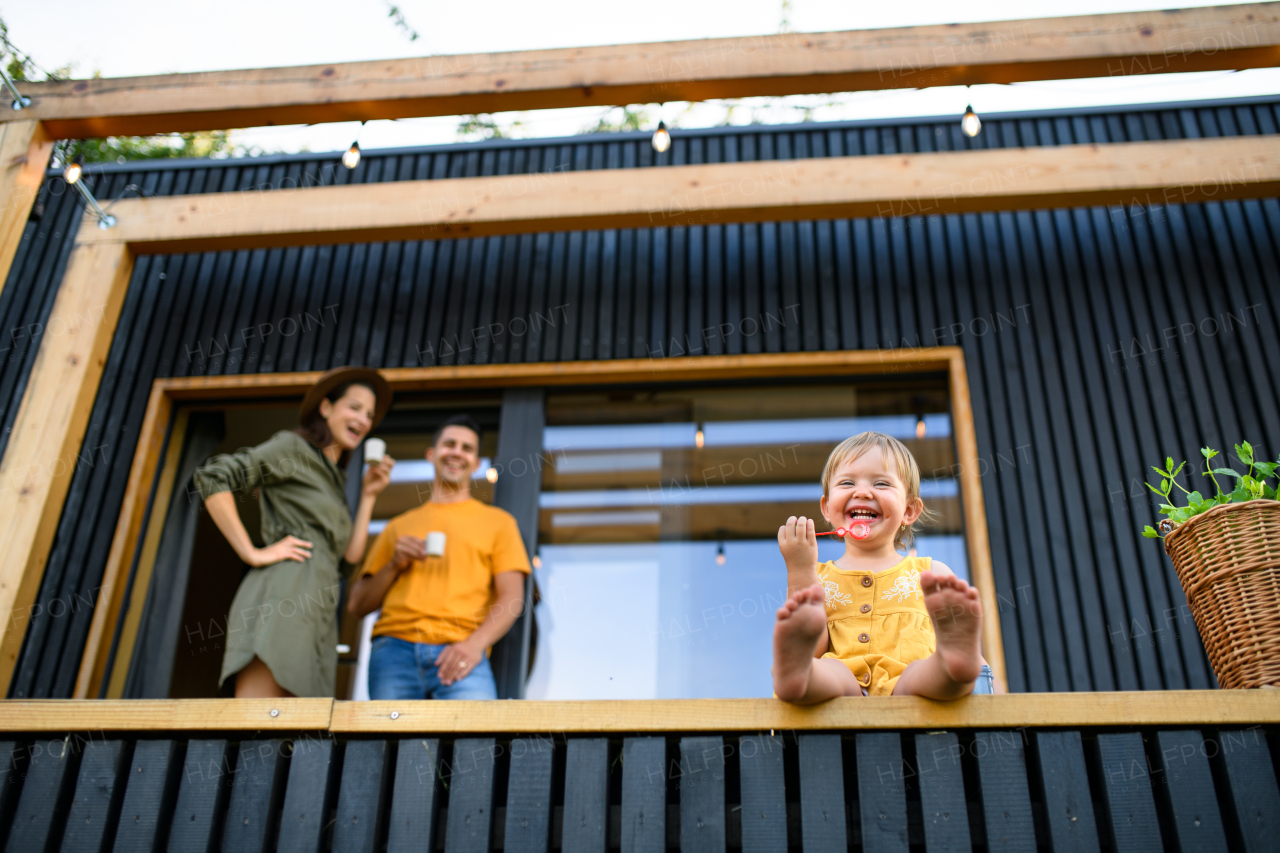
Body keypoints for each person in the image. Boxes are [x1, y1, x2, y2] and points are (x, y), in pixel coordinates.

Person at [194, 367, 394, 698]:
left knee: (296, 743)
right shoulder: (293, 449)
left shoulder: (335, 482)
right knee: (257, 730)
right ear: (326, 408)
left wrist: (370, 495)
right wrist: (251, 552)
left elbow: (348, 559)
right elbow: (214, 476)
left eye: (370, 414)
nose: (364, 419)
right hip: (284, 598)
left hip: (319, 618)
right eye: (354, 407)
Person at [771, 431, 998, 703]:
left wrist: (996, 697)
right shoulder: (816, 576)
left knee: (922, 672)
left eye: (881, 483)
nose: (863, 492)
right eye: (846, 482)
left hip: (911, 691)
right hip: (843, 694)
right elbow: (815, 648)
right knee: (825, 669)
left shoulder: (931, 574)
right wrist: (800, 570)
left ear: (909, 511)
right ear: (827, 508)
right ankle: (797, 672)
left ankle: (952, 666)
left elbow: (982, 668)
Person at [348, 414, 530, 700]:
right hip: (394, 651)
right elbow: (357, 606)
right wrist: (394, 564)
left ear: (477, 463)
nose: (457, 452)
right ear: (431, 455)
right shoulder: (398, 526)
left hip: (462, 651)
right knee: (388, 746)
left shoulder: (499, 523)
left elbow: (512, 598)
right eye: (449, 444)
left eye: (467, 448)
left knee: (475, 743)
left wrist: (474, 646)